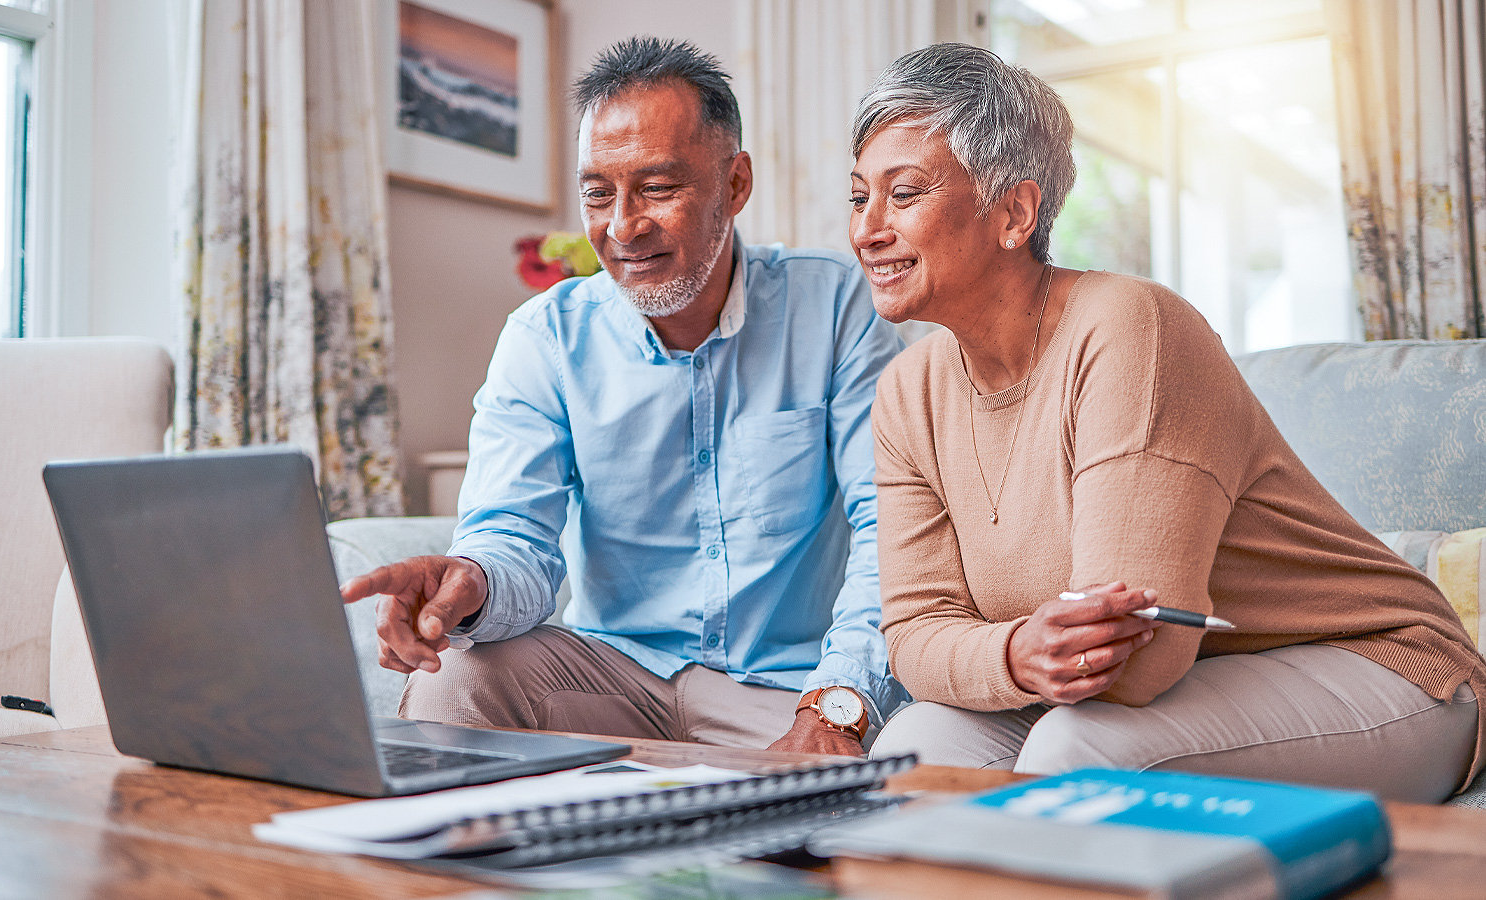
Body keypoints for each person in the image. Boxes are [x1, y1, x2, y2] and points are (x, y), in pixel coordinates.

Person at [852, 43, 1485, 801]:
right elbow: (915, 634)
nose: (868, 229)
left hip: (1380, 667)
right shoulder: (907, 391)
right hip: (1183, 688)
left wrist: (1008, 655)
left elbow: (1139, 662)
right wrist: (1019, 652)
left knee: (1076, 750)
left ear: (1014, 212)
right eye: (859, 197)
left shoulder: (1132, 328)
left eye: (905, 193)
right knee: (914, 751)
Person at [340, 37, 906, 756]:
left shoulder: (834, 308)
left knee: (907, 756)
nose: (623, 226)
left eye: (659, 188)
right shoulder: (545, 338)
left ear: (735, 185)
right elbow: (514, 536)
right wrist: (468, 579)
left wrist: (836, 707)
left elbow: (892, 529)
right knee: (455, 677)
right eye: (598, 193)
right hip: (612, 679)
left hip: (787, 689)